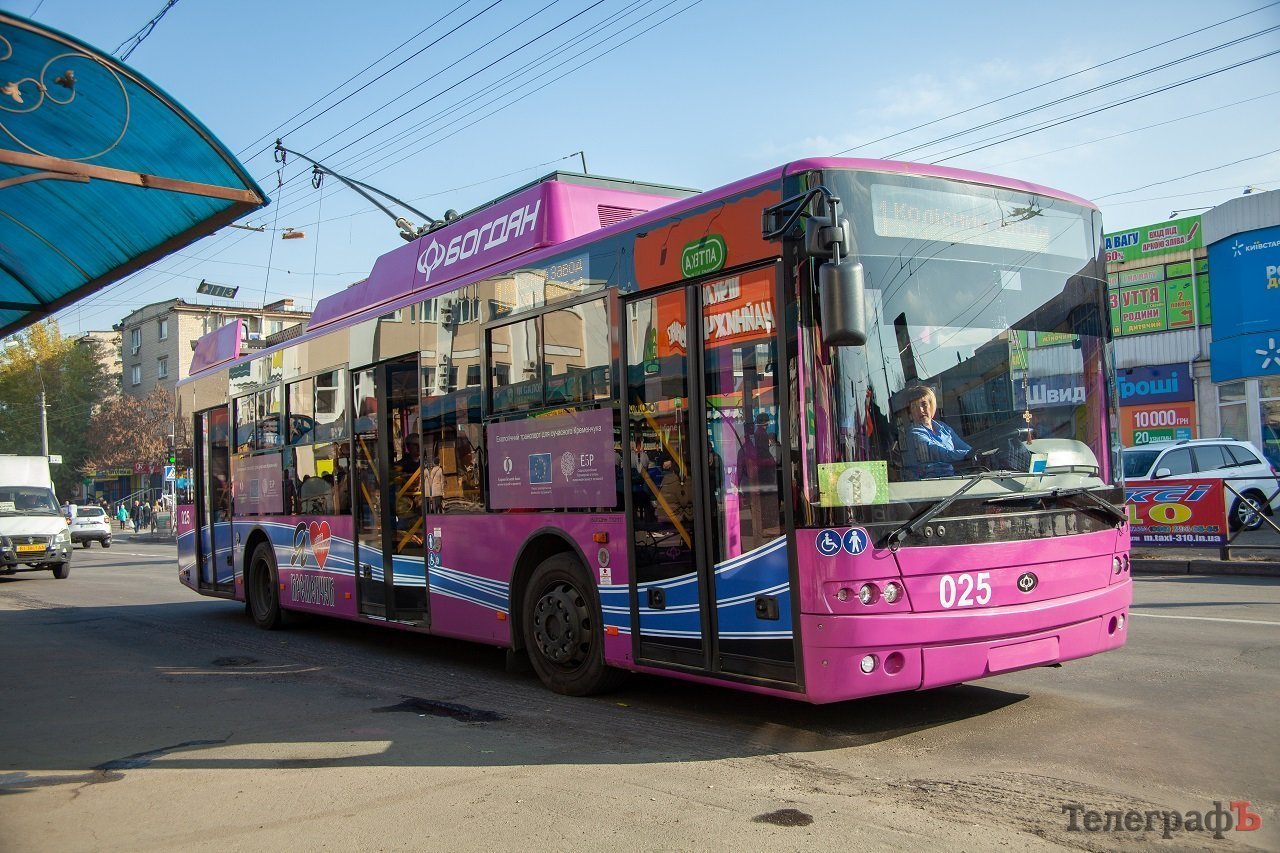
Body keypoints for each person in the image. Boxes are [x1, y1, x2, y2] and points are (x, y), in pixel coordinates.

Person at [902, 384, 972, 480]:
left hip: (954, 481)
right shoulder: (913, 434)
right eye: (914, 407)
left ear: (931, 405)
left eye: (924, 404)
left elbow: (965, 448)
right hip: (929, 485)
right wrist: (966, 455)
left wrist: (977, 453)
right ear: (910, 413)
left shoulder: (943, 427)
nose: (921, 410)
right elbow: (940, 453)